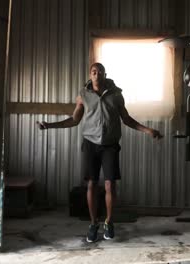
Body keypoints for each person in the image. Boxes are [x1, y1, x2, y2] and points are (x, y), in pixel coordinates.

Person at [36, 62, 163, 243]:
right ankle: (93, 223)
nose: (97, 74)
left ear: (105, 74)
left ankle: (109, 222)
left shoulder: (116, 95)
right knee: (92, 185)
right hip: (90, 144)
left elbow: (126, 119)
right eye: (94, 72)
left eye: (100, 71)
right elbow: (74, 120)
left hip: (110, 145)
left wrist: (148, 130)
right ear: (90, 75)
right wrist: (49, 125)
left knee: (110, 185)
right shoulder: (83, 95)